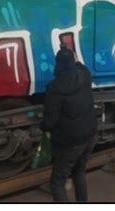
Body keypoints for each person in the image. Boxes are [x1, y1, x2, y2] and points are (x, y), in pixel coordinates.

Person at [40, 44, 98, 202]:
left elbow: (50, 122)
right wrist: (70, 51)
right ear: (73, 61)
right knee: (79, 173)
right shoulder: (85, 75)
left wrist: (41, 126)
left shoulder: (54, 89)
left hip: (70, 143)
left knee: (57, 182)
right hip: (89, 137)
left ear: (57, 64)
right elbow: (80, 65)